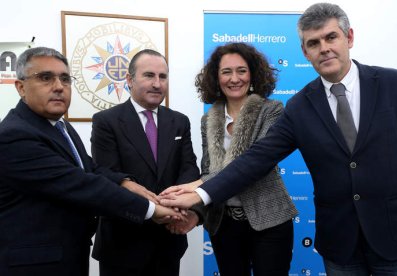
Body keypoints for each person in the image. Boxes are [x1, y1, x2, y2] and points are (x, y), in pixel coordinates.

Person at [160, 3, 397, 275]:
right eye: (313, 43)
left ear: (349, 37)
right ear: (305, 52)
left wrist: (198, 189)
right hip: (341, 243)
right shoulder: (300, 106)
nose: (324, 48)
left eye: (331, 37)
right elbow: (257, 159)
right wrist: (201, 194)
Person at [0, 47, 182, 276]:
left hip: (67, 254)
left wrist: (124, 182)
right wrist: (151, 209)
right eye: (45, 78)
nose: (58, 86)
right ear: (21, 87)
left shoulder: (59, 127)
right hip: (35, 263)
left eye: (65, 79)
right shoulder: (14, 135)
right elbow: (81, 184)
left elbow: (89, 167)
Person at [90, 49, 200, 276]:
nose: (157, 84)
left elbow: (189, 166)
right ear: (130, 80)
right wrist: (151, 206)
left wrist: (176, 201)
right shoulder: (106, 121)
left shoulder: (179, 121)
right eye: (149, 75)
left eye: (163, 77)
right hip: (123, 243)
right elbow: (105, 173)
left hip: (169, 239)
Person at [195, 42, 298, 275]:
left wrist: (194, 188)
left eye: (241, 70)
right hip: (223, 223)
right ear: (216, 77)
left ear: (252, 74)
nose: (234, 78)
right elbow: (207, 168)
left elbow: (253, 164)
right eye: (226, 72)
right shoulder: (208, 120)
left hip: (269, 220)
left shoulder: (272, 110)